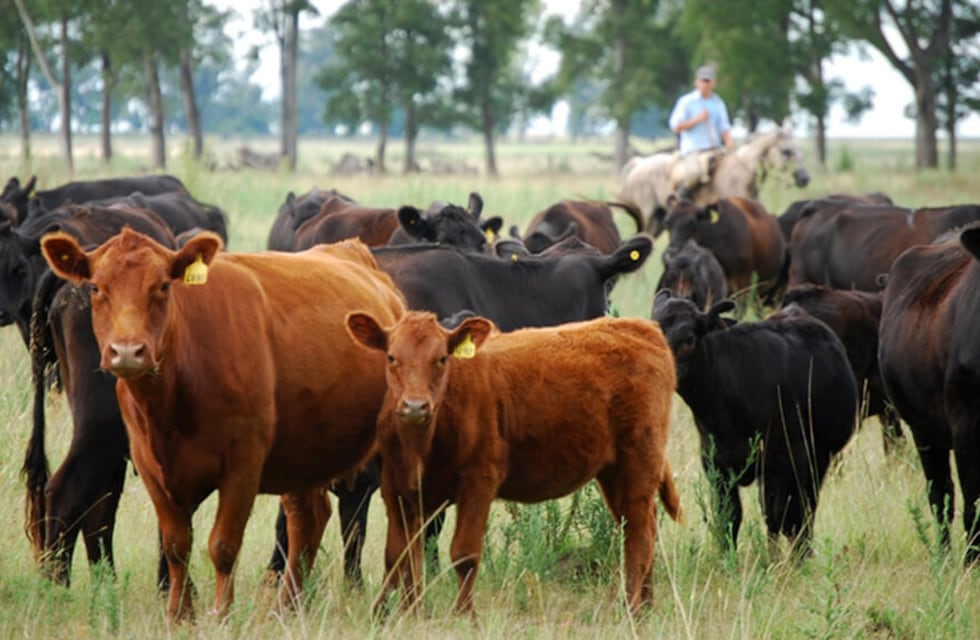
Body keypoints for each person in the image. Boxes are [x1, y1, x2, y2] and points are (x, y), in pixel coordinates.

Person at [667, 65, 735, 200]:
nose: (705, 84)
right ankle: (682, 197)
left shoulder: (718, 103)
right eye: (703, 81)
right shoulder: (687, 102)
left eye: (708, 81)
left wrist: (730, 144)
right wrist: (698, 119)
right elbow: (676, 126)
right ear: (696, 82)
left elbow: (724, 127)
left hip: (714, 148)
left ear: (713, 83)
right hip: (693, 150)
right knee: (695, 173)